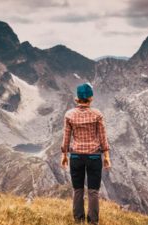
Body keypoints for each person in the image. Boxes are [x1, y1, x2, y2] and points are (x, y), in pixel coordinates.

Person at [60, 82, 111, 225]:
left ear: (77, 98)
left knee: (78, 190)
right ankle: (93, 222)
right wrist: (106, 156)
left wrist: (64, 155)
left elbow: (66, 137)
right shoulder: (97, 114)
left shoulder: (69, 115)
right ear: (91, 98)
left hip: (76, 156)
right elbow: (103, 137)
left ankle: (78, 221)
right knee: (93, 191)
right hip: (94, 157)